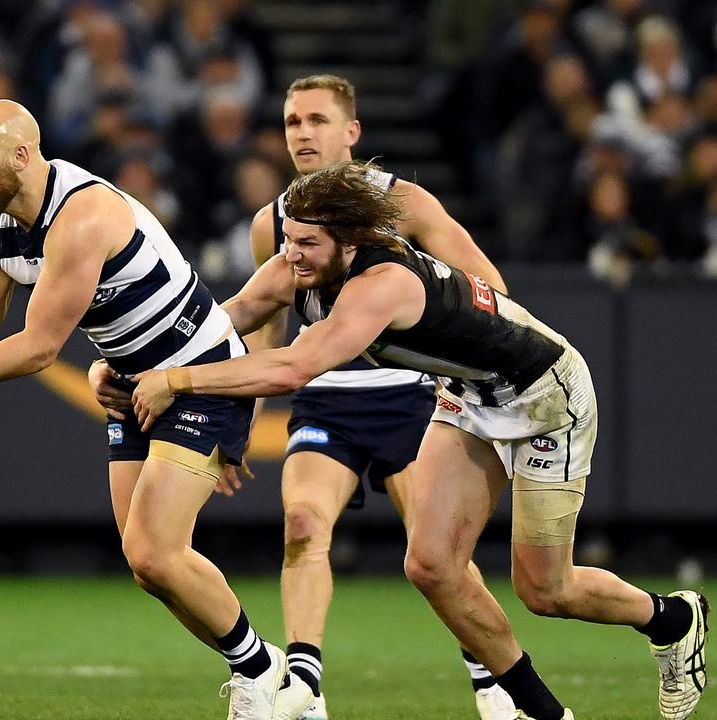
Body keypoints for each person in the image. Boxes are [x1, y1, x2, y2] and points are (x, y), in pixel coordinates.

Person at [129, 159, 709, 720]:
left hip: (546, 395)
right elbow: (227, 319)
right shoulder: (297, 267)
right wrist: (137, 362)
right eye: (289, 240)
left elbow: (291, 369)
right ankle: (543, 713)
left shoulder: (383, 283)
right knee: (430, 565)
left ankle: (672, 622)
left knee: (545, 590)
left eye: (307, 244)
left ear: (350, 241)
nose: (291, 256)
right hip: (469, 394)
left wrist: (176, 380)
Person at [0, 99, 316, 720]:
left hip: (201, 379)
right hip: (132, 386)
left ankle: (263, 676)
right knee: (150, 567)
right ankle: (265, 671)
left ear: (20, 155)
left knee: (154, 550)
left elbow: (38, 348)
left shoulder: (82, 214)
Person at [90, 73, 515, 720]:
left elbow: (489, 285)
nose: (303, 133)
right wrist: (236, 422)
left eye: (318, 120)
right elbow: (262, 327)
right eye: (292, 122)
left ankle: (492, 683)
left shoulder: (403, 204)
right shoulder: (275, 223)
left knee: (438, 558)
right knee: (301, 526)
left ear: (352, 132)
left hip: (410, 397)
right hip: (325, 394)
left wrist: (454, 360)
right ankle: (303, 689)